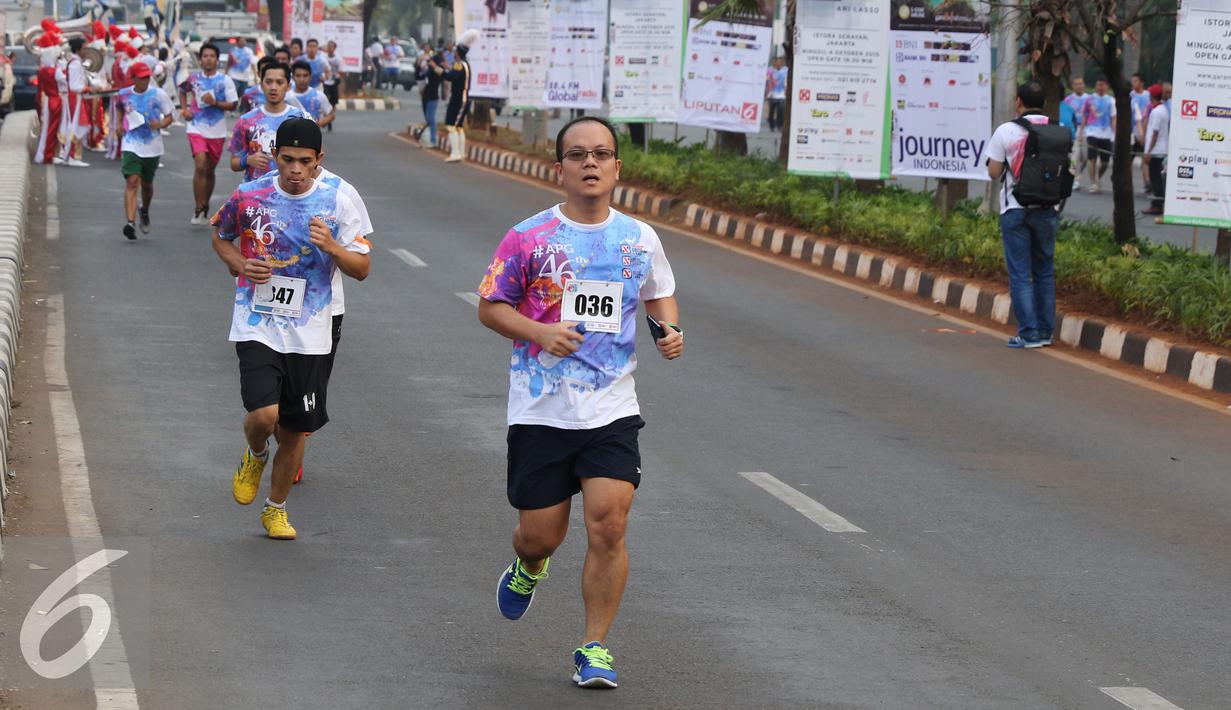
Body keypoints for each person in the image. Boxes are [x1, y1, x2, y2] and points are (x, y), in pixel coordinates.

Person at [477, 116, 683, 689]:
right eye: (577, 155)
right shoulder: (528, 237)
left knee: (610, 524)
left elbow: (658, 293)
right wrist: (540, 333)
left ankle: (594, 646)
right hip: (542, 407)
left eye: (601, 154)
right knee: (542, 534)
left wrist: (669, 330)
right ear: (560, 168)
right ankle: (529, 565)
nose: (589, 164)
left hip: (610, 408)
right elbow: (490, 305)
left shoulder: (639, 239)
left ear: (617, 166)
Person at [210, 117, 371, 540]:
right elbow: (221, 235)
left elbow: (362, 269)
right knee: (264, 415)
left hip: (312, 329)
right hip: (257, 321)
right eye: (287, 160)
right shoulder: (250, 194)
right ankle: (256, 452)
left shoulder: (338, 200)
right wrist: (240, 263)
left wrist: (332, 246)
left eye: (304, 161)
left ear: (319, 160)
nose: (295, 170)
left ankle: (275, 509)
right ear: (274, 156)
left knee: (297, 429)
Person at [985, 81, 1061, 349]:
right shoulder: (1058, 131)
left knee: (1020, 274)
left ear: (1018, 102)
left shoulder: (1006, 131)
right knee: (1044, 272)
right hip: (1048, 210)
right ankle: (1045, 332)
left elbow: (994, 173)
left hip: (1015, 210)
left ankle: (1028, 333)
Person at [181, 42, 238, 224]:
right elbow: (182, 91)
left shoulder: (225, 80)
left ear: (217, 60)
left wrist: (215, 103)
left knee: (210, 169)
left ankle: (205, 204)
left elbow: (233, 104)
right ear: (200, 59)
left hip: (217, 130)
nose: (208, 59)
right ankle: (198, 206)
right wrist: (185, 110)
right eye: (205, 56)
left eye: (212, 56)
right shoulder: (193, 79)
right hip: (196, 126)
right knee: (200, 165)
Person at [115, 61, 173, 239]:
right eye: (141, 78)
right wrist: (118, 124)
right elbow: (119, 108)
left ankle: (144, 210)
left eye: (147, 77)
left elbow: (170, 116)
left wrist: (161, 123)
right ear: (133, 78)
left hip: (152, 146)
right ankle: (130, 223)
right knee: (132, 181)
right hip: (131, 143)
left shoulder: (158, 94)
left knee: (147, 185)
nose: (145, 81)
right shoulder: (124, 94)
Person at [229, 61, 310, 181]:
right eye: (268, 82)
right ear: (261, 85)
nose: (273, 87)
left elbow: (313, 160)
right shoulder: (246, 121)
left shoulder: (302, 119)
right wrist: (248, 160)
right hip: (256, 192)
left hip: (291, 192)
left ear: (288, 86)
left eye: (279, 82)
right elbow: (234, 163)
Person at [433, 29, 476, 163]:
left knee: (451, 125)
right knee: (458, 127)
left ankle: (455, 153)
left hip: (459, 98)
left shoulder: (459, 65)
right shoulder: (464, 64)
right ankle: (461, 153)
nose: (453, 52)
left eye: (455, 50)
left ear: (458, 52)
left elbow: (450, 77)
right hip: (463, 97)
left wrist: (436, 68)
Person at [58, 37, 91, 167]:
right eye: (84, 49)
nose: (86, 51)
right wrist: (89, 88)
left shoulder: (75, 62)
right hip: (74, 98)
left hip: (75, 98)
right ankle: (71, 156)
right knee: (77, 126)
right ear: (78, 50)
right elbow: (74, 86)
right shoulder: (75, 64)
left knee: (77, 126)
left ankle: (71, 155)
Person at [1082, 77, 1115, 194]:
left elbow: (1113, 118)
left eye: (1103, 85)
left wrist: (1114, 132)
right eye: (1098, 85)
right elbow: (1085, 116)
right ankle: (1093, 183)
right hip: (1092, 131)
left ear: (1107, 87)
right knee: (1092, 158)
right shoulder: (1089, 99)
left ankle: (1098, 178)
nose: (1100, 88)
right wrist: (1082, 131)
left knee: (1105, 162)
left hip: (1106, 134)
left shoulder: (1111, 100)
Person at [1141, 84, 1169, 217]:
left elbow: (1155, 133)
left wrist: (1149, 151)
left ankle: (1157, 205)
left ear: (1152, 95)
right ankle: (1158, 203)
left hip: (1156, 149)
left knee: (1155, 178)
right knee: (1157, 177)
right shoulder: (1161, 109)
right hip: (1159, 148)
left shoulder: (1157, 112)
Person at [1063, 77, 1090, 189]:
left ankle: (1078, 174)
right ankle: (1074, 179)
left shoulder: (1089, 99)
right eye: (1076, 84)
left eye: (1080, 83)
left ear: (1084, 85)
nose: (1079, 86)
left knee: (1086, 157)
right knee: (1074, 157)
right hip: (1074, 129)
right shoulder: (1068, 100)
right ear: (1073, 86)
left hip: (1087, 130)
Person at [290, 60, 335, 128]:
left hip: (312, 137)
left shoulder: (318, 95)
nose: (302, 79)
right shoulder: (286, 95)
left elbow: (331, 115)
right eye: (298, 76)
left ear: (310, 77)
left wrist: (317, 125)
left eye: (305, 76)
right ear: (293, 77)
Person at [1129, 73, 1151, 194]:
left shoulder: (1148, 95)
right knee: (1129, 159)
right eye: (1132, 81)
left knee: (1145, 159)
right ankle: (1129, 184)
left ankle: (1146, 184)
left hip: (1145, 131)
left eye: (1135, 81)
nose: (1133, 84)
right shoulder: (1130, 95)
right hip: (1132, 132)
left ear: (1141, 82)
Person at [417, 49, 443, 148]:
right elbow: (419, 75)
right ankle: (426, 138)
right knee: (428, 119)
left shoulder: (438, 72)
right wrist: (419, 63)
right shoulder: (428, 71)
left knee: (431, 119)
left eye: (432, 61)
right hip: (426, 96)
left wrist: (432, 65)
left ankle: (433, 140)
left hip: (433, 97)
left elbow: (441, 73)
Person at [322, 41, 342, 131]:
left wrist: (338, 76)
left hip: (333, 83)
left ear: (334, 48)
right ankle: (326, 119)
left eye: (331, 46)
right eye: (328, 46)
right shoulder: (323, 58)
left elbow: (341, 71)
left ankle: (330, 120)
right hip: (325, 82)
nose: (329, 48)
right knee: (325, 101)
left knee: (333, 102)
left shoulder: (338, 59)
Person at [766, 56, 787, 133]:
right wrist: (768, 92)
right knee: (771, 112)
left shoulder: (785, 71)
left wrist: (786, 91)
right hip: (772, 95)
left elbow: (786, 82)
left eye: (781, 62)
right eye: (778, 62)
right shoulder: (771, 71)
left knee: (780, 112)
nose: (779, 63)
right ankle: (771, 125)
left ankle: (779, 126)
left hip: (781, 96)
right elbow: (768, 82)